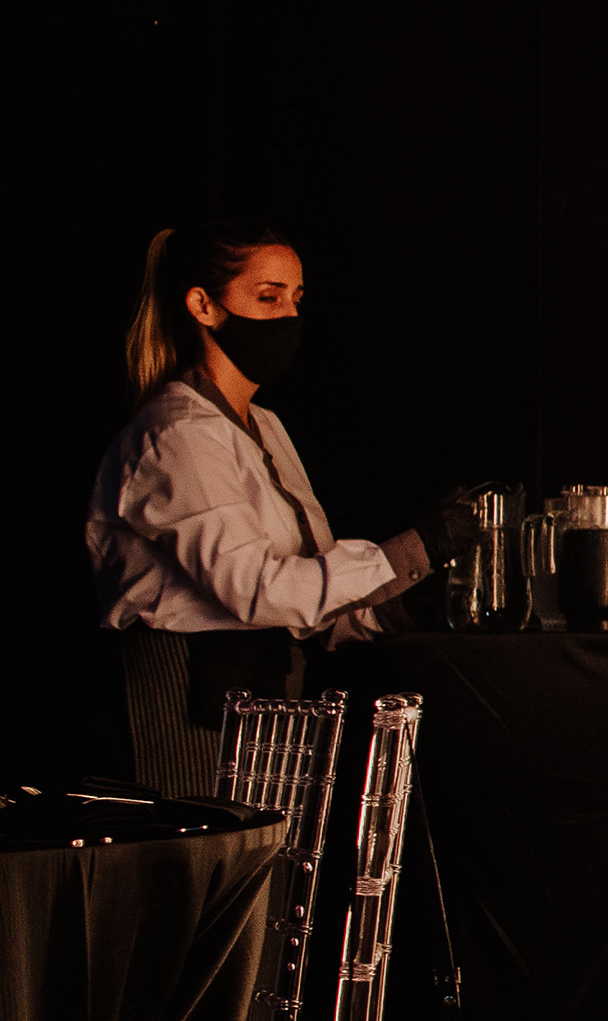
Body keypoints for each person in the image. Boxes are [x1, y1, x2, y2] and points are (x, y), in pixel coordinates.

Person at [86, 222, 463, 795]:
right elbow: (256, 591)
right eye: (268, 297)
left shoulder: (264, 426)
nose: (289, 316)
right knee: (203, 849)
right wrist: (412, 550)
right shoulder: (179, 433)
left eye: (296, 298)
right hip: (183, 696)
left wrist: (399, 604)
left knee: (269, 852)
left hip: (269, 699)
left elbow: (305, 595)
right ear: (203, 306)